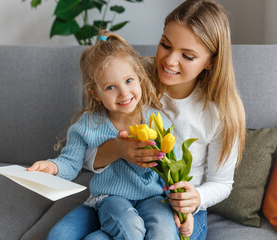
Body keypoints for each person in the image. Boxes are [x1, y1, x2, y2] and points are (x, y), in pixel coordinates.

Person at [46, 0, 246, 240]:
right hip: (115, 195)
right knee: (60, 235)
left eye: (188, 55)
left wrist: (196, 198)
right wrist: (118, 149)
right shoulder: (132, 77)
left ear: (212, 60)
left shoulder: (220, 112)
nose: (170, 61)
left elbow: (222, 183)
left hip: (173, 204)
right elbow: (83, 151)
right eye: (165, 44)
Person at [27, 30, 193, 240]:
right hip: (110, 197)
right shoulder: (87, 125)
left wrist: (182, 211)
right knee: (130, 229)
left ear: (140, 79)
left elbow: (174, 169)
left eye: (129, 80)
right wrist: (51, 167)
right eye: (110, 87)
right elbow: (70, 163)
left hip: (153, 197)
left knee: (165, 232)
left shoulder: (157, 121)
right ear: (95, 93)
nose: (124, 93)